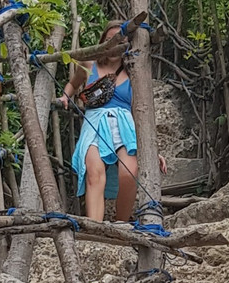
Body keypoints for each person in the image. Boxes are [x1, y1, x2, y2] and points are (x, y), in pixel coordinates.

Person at [61, 20, 165, 222]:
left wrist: (155, 150)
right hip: (95, 121)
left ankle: (121, 224)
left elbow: (140, 113)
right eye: (109, 40)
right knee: (95, 172)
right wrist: (65, 96)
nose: (114, 45)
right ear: (102, 42)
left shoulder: (134, 74)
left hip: (125, 125)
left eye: (120, 41)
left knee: (130, 171)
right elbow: (73, 84)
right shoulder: (89, 64)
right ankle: (95, 225)